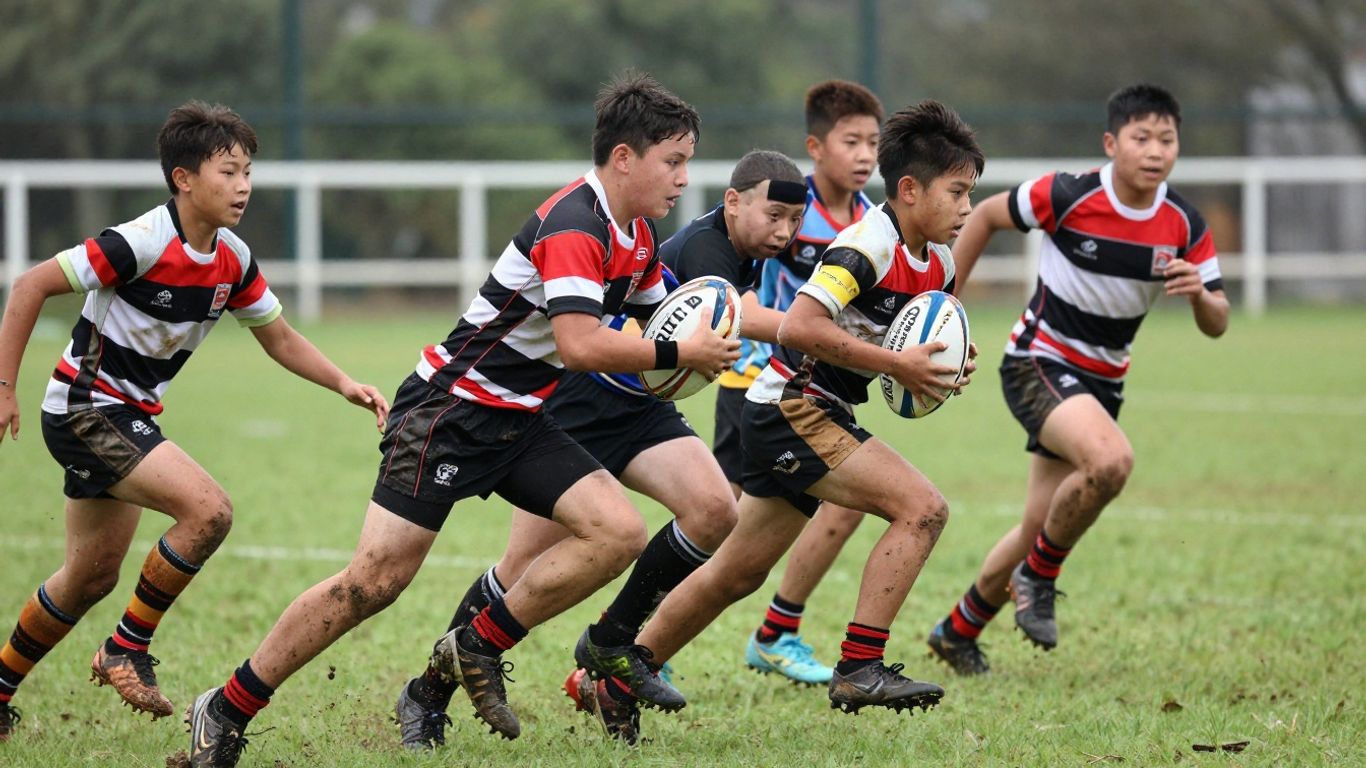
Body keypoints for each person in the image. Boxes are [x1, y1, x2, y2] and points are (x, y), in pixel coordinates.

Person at [182, 73, 738, 766]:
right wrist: (682, 350)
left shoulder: (636, 235)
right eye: (674, 161)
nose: (685, 178)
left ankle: (475, 644)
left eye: (687, 161)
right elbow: (582, 344)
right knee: (372, 583)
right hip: (447, 412)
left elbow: (664, 314)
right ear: (624, 158)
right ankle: (228, 703)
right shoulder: (576, 224)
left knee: (616, 530)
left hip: (522, 418)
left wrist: (735, 335)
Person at [575, 100, 984, 744]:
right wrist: (895, 364)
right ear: (910, 190)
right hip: (790, 404)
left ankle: (616, 675)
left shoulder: (942, 264)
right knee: (922, 508)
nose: (967, 209)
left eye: (970, 194)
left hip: (814, 406)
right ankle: (861, 665)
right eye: (958, 193)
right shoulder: (866, 243)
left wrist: (942, 367)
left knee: (738, 571)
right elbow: (799, 325)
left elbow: (908, 347)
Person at [0, 102, 389, 742]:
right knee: (208, 509)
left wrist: (343, 382)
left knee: (89, 576)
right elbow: (28, 287)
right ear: (184, 179)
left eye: (247, 172)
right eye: (228, 171)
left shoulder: (232, 259)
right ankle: (127, 647)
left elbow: (280, 337)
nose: (243, 186)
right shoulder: (138, 242)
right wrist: (6, 388)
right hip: (85, 410)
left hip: (128, 416)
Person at [395, 150, 807, 750]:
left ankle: (612, 642)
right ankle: (428, 692)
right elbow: (732, 318)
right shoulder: (705, 248)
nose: (785, 232)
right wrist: (827, 336)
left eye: (794, 221)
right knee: (519, 573)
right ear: (735, 201)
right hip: (579, 407)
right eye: (775, 215)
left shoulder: (735, 252)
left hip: (640, 409)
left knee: (715, 509)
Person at [925, 83, 1228, 676]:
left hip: (1101, 385)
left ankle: (957, 632)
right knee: (1111, 462)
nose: (1155, 150)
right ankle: (1038, 577)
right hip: (1038, 361)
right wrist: (943, 303)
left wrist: (1200, 297)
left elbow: (1218, 319)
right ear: (1112, 143)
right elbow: (985, 215)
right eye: (1141, 137)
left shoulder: (1183, 223)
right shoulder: (1067, 193)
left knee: (1040, 524)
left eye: (1166, 139)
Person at [721, 80, 886, 686]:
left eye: (874, 142)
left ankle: (777, 632)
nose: (866, 154)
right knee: (714, 531)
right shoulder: (786, 208)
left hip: (819, 394)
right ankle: (625, 641)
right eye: (852, 141)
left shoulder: (873, 223)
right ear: (816, 148)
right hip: (753, 385)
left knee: (847, 507)